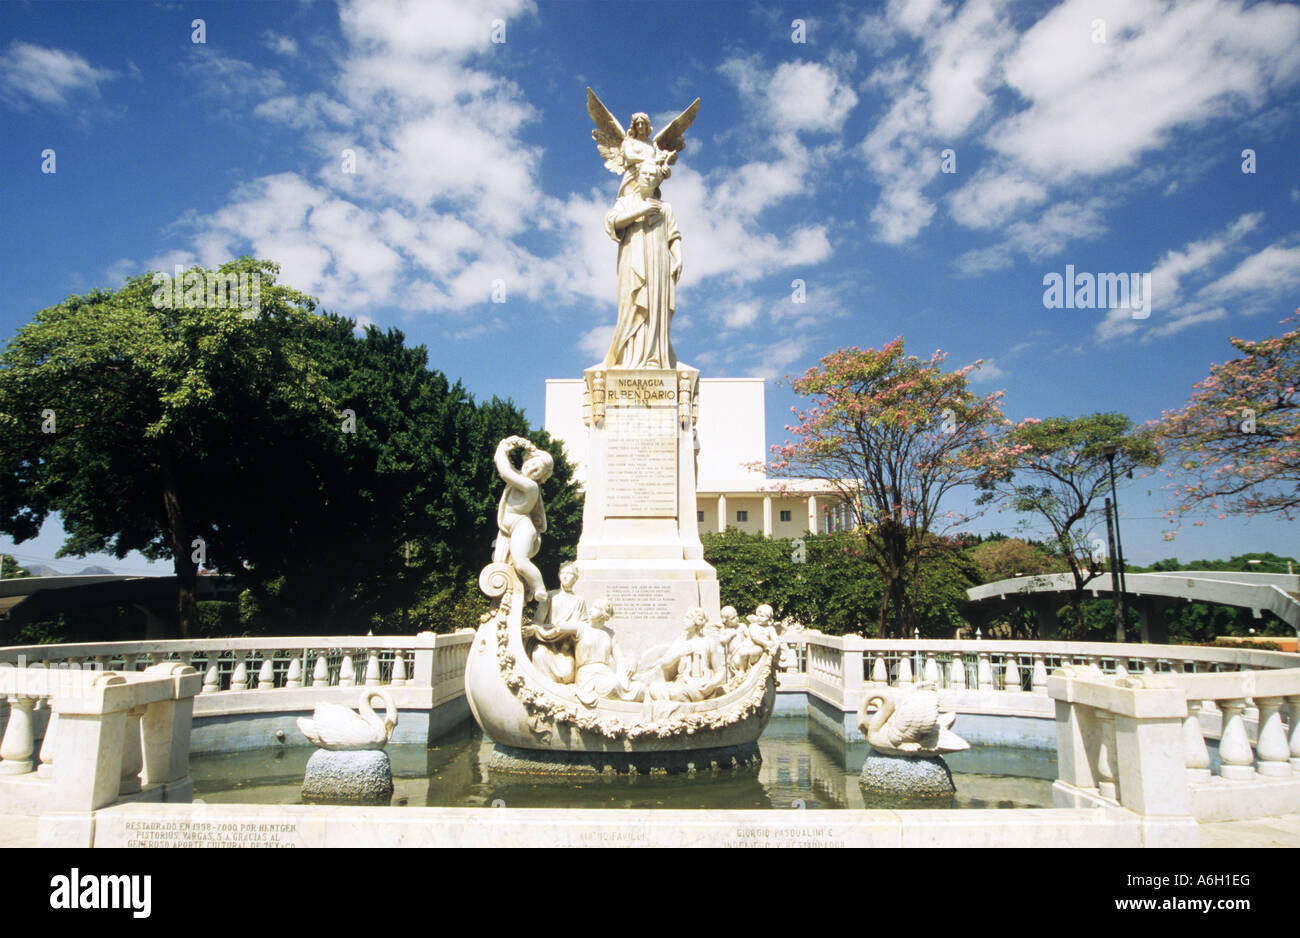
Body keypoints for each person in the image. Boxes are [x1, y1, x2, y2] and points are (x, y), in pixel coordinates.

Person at [603, 159, 683, 370]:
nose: (648, 177)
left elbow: (673, 235)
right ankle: (628, 358)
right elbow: (612, 222)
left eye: (652, 175)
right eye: (645, 173)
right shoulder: (625, 202)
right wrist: (641, 212)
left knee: (656, 307)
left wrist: (678, 257)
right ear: (637, 176)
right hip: (632, 261)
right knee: (631, 305)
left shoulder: (665, 208)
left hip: (658, 262)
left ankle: (653, 358)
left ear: (658, 180)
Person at [492, 435, 554, 622]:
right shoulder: (521, 478)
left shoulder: (530, 486)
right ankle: (521, 593)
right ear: (527, 458)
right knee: (503, 563)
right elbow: (509, 470)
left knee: (520, 561)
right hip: (510, 530)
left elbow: (504, 470)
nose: (532, 469)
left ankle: (539, 588)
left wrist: (503, 447)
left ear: (540, 478)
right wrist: (513, 444)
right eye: (532, 464)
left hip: (522, 526)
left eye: (537, 471)